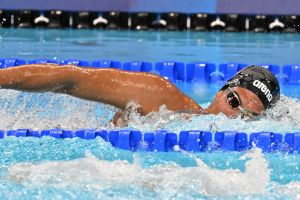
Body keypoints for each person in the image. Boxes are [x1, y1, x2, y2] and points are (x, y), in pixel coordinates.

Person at [0, 64, 280, 126]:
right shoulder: (160, 97)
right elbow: (70, 79)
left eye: (248, 117)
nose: (231, 116)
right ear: (221, 91)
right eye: (233, 102)